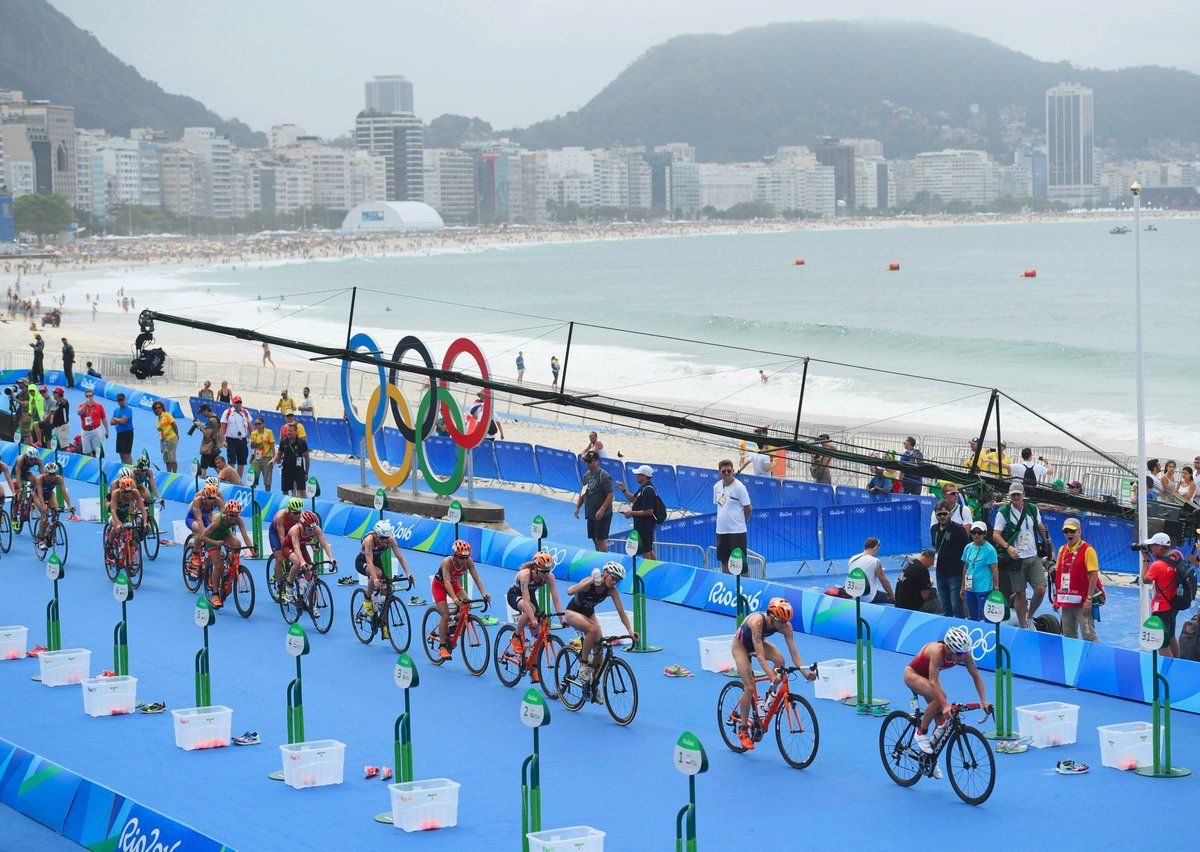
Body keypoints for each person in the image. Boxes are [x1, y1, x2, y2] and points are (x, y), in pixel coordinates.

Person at [729, 598, 816, 750]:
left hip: (759, 642)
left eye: (786, 621)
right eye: (781, 622)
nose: (785, 625)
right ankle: (743, 730)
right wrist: (771, 676)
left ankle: (768, 701)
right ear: (771, 617)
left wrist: (805, 674)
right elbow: (761, 657)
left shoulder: (786, 626)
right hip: (741, 646)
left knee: (780, 661)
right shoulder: (757, 623)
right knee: (749, 687)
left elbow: (794, 655)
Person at [904, 627, 992, 755]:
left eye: (963, 653)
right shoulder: (937, 651)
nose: (962, 657)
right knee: (941, 698)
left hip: (929, 679)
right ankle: (921, 731)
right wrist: (945, 705)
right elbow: (934, 681)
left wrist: (983, 700)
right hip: (912, 674)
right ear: (948, 648)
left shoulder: (964, 653)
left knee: (942, 723)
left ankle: (929, 758)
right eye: (959, 654)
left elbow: (975, 675)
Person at [563, 561, 637, 684]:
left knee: (599, 650)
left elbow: (621, 612)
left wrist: (630, 631)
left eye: (617, 581)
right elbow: (569, 591)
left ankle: (593, 685)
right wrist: (590, 581)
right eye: (613, 578)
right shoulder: (589, 582)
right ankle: (583, 663)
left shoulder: (612, 590)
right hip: (572, 613)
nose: (614, 582)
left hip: (588, 614)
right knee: (594, 629)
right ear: (605, 573)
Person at [991, 482, 1049, 629]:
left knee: (1041, 589)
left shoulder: (1032, 509)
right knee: (1020, 593)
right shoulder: (1003, 512)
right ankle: (1023, 624)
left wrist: (1047, 541)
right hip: (1016, 559)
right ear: (1009, 496)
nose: (1016, 497)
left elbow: (1040, 526)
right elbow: (996, 535)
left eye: (1018, 494)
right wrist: (1008, 547)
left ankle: (1029, 617)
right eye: (1013, 495)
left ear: (1024, 494)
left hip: (1033, 556)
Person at [504, 552, 566, 673]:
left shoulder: (549, 577)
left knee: (537, 636)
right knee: (531, 611)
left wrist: (561, 619)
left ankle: (533, 667)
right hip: (515, 595)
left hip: (530, 597)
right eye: (543, 571)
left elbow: (556, 599)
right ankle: (516, 636)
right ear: (536, 568)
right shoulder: (525, 575)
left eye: (548, 571)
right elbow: (526, 602)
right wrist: (533, 620)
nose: (546, 574)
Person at [431, 540, 490, 660]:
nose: (464, 561)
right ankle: (442, 647)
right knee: (445, 614)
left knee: (467, 603)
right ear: (455, 555)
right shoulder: (447, 562)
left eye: (466, 557)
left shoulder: (469, 562)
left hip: (454, 584)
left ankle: (455, 621)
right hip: (439, 586)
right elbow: (446, 582)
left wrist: (484, 593)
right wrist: (453, 598)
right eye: (461, 558)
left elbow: (476, 578)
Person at [198, 500, 256, 608]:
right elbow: (202, 537)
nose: (233, 518)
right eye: (231, 516)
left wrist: (252, 550)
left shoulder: (238, 519)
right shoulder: (218, 519)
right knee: (218, 565)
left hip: (225, 535)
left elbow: (245, 535)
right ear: (226, 513)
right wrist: (216, 543)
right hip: (212, 538)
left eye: (236, 516)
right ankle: (215, 595)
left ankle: (231, 563)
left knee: (237, 543)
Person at [1051, 518, 1099, 642]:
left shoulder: (1088, 550)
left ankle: (1097, 660)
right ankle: (1072, 660)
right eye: (1066, 531)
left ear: (1079, 532)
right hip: (1066, 602)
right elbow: (1059, 576)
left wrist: (1089, 599)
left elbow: (1094, 576)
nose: (1069, 534)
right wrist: (1057, 598)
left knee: (1089, 636)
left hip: (1082, 604)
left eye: (1072, 531)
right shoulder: (1062, 549)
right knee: (1069, 636)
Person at [356, 519, 417, 616]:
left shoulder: (391, 540)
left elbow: (400, 557)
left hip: (377, 562)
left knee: (386, 590)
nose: (384, 540)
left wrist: (408, 573)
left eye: (386, 537)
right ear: (376, 535)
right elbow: (370, 562)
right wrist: (375, 579)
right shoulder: (369, 541)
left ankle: (382, 621)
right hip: (362, 562)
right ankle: (367, 599)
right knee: (377, 574)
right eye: (382, 538)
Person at [281, 510, 336, 602]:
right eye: (309, 529)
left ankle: (307, 600)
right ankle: (289, 586)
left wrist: (331, 558)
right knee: (298, 562)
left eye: (313, 529)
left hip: (302, 548)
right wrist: (302, 561)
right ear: (302, 526)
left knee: (310, 572)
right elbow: (296, 547)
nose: (312, 532)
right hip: (288, 547)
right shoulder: (295, 530)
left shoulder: (315, 529)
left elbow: (325, 544)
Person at [1140, 533, 1181, 657]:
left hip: (1162, 607)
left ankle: (1167, 670)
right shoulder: (1175, 557)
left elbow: (1145, 579)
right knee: (1172, 636)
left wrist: (1146, 559)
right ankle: (1177, 664)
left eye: (1152, 545)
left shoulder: (1158, 565)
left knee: (1161, 644)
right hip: (1173, 604)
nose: (1150, 548)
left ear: (1160, 547)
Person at [931, 499, 970, 619]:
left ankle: (960, 634)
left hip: (956, 574)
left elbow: (967, 552)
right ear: (935, 515)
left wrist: (964, 577)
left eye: (945, 514)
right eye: (939, 514)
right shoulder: (934, 529)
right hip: (940, 573)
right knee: (946, 609)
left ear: (950, 514)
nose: (942, 516)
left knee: (957, 608)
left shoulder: (959, 529)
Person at [713, 459, 752, 571]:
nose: (726, 473)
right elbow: (720, 505)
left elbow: (748, 508)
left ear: (733, 471)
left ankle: (745, 587)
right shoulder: (716, 487)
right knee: (724, 563)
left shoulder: (740, 487)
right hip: (721, 531)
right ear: (719, 472)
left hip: (737, 532)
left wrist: (742, 522)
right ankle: (727, 586)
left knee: (741, 566)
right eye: (723, 471)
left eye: (729, 471)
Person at [618, 464, 659, 560]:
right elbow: (633, 499)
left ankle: (647, 572)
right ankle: (656, 569)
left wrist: (631, 513)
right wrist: (623, 490)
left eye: (638, 474)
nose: (636, 476)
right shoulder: (643, 488)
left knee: (646, 551)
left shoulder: (648, 490)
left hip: (645, 526)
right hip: (642, 525)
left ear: (644, 476)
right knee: (648, 549)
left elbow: (649, 511)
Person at [574, 451, 613, 552]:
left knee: (600, 539)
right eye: (586, 461)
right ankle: (598, 556)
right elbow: (583, 492)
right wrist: (578, 507)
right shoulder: (586, 475)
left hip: (603, 514)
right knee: (594, 539)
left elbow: (610, 494)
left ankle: (604, 560)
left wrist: (602, 509)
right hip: (591, 512)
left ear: (596, 461)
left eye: (589, 461)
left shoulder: (604, 476)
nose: (587, 464)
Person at [961, 521, 999, 620]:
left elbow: (995, 570)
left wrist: (995, 589)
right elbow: (965, 567)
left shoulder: (990, 550)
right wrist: (962, 587)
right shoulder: (968, 547)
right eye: (974, 532)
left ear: (985, 534)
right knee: (972, 616)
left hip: (984, 589)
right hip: (969, 588)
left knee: (987, 616)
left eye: (979, 533)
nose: (976, 535)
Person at [104, 476, 147, 564]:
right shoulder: (116, 493)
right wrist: (118, 523)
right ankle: (109, 544)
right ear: (121, 489)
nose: (127, 494)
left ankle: (128, 554)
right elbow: (113, 510)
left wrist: (145, 523)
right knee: (116, 527)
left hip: (124, 514)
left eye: (129, 491)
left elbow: (142, 509)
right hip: (112, 513)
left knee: (130, 532)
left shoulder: (135, 493)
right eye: (125, 492)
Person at [269, 498, 305, 596]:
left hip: (290, 532)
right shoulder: (280, 517)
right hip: (276, 533)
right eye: (295, 513)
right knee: (280, 558)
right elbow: (282, 540)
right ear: (289, 511)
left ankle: (282, 572)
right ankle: (280, 588)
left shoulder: (300, 517)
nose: (297, 516)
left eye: (299, 513)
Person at [34, 461, 74, 543]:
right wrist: (44, 507)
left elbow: (64, 493)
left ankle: (51, 530)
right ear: (45, 473)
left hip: (49, 494)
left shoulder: (59, 479)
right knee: (44, 514)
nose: (52, 476)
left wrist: (70, 506)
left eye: (54, 474)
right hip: (38, 495)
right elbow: (40, 495)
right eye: (50, 474)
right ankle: (41, 539)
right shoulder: (40, 479)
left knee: (56, 511)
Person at [848, 537, 895, 603]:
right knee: (893, 598)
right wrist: (893, 596)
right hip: (869, 598)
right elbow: (885, 583)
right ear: (875, 549)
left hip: (855, 596)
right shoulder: (875, 561)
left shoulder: (852, 558)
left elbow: (862, 571)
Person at [895, 549, 940, 613]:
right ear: (930, 559)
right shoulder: (923, 570)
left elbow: (913, 582)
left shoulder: (910, 564)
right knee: (937, 598)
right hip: (912, 608)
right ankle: (945, 616)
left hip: (900, 605)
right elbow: (925, 596)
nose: (932, 564)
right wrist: (933, 591)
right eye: (932, 561)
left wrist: (927, 584)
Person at [220, 395, 252, 480]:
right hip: (231, 440)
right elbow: (222, 427)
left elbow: (250, 426)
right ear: (233, 403)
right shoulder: (228, 412)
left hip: (243, 440)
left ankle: (238, 480)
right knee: (231, 461)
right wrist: (223, 440)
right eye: (236, 402)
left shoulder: (245, 412)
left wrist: (253, 437)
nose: (238, 404)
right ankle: (231, 479)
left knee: (242, 462)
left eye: (239, 402)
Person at [274, 424, 310, 497]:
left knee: (302, 490)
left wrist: (306, 472)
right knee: (285, 491)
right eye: (287, 431)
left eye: (291, 431)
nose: (289, 432)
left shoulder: (302, 442)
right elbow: (279, 454)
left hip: (299, 470)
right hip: (286, 470)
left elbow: (307, 458)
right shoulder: (283, 442)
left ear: (296, 432)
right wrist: (274, 460)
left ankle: (303, 506)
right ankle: (286, 506)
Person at [77, 388, 108, 458]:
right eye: (87, 396)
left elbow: (104, 419)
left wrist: (107, 430)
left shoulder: (99, 406)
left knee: (98, 450)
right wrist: (85, 406)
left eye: (90, 396)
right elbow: (79, 413)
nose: (89, 398)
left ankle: (99, 464)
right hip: (85, 432)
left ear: (93, 396)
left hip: (96, 430)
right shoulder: (82, 406)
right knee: (87, 452)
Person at [151, 400, 178, 473]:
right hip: (163, 441)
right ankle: (168, 473)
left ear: (162, 408)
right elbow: (160, 431)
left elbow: (174, 425)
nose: (158, 409)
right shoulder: (158, 418)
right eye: (155, 408)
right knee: (166, 459)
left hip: (171, 439)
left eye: (159, 407)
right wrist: (161, 443)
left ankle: (174, 474)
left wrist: (177, 436)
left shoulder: (167, 415)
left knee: (172, 458)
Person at [194, 403, 222, 475]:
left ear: (206, 410)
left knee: (203, 468)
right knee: (217, 467)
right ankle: (225, 480)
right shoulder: (216, 418)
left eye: (202, 412)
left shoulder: (211, 420)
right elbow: (213, 430)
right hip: (214, 447)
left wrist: (200, 425)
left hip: (208, 448)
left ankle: (201, 484)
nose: (201, 415)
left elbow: (207, 434)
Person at [250, 416, 275, 490]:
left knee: (267, 481)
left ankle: (267, 495)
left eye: (259, 424)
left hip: (266, 458)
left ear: (263, 424)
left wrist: (273, 458)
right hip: (256, 458)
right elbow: (252, 446)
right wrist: (254, 443)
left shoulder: (268, 432)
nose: (257, 425)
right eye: (256, 424)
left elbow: (272, 445)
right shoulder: (253, 433)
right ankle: (252, 494)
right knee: (253, 479)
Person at [110, 393, 135, 465]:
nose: (120, 401)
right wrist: (118, 420)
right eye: (119, 400)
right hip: (119, 433)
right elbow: (111, 422)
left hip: (127, 433)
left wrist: (115, 419)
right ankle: (124, 469)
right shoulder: (116, 410)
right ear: (117, 401)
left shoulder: (128, 409)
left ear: (125, 400)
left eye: (122, 400)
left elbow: (123, 421)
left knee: (127, 453)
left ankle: (129, 469)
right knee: (121, 453)